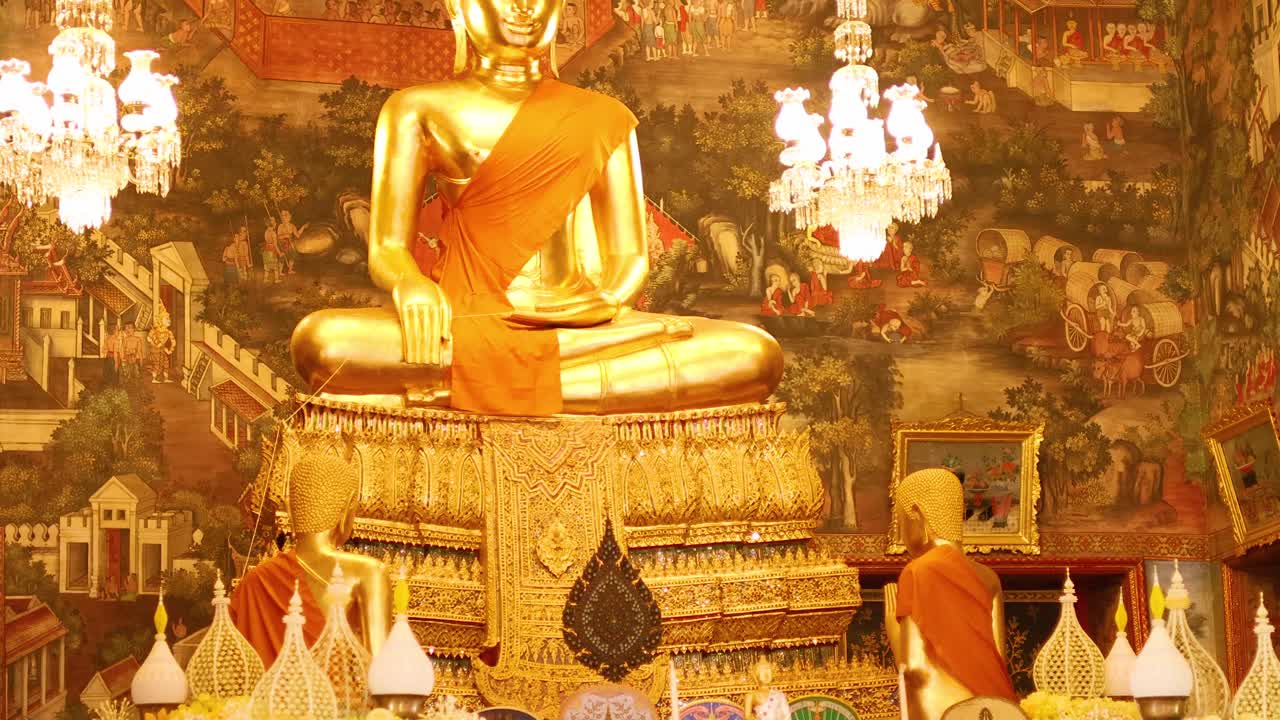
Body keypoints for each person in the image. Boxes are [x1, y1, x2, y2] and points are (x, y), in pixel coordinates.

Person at [288, 0, 784, 415]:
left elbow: (630, 258)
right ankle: (544, 386)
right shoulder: (419, 109)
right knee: (323, 343)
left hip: (576, 324)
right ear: (460, 7)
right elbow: (389, 247)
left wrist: (608, 302)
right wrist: (412, 284)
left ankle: (460, 392)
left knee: (753, 353)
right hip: (468, 320)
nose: (525, 9)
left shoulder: (602, 117)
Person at [231, 447, 390, 665]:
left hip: (270, 698)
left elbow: (236, 670)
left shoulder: (256, 580)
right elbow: (382, 674)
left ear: (290, 509)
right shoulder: (369, 572)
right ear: (346, 508)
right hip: (339, 698)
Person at [882, 468, 1016, 720]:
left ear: (917, 515)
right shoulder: (989, 577)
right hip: (998, 710)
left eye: (901, 522)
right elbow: (999, 660)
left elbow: (915, 669)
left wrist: (893, 630)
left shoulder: (917, 571)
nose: (901, 533)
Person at [147, 308, 177, 383]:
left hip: (162, 349)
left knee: (166, 362)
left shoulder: (168, 332)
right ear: (160, 320)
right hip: (155, 349)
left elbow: (173, 341)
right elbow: (148, 338)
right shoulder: (154, 330)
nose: (169, 320)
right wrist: (155, 344)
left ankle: (166, 378)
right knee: (157, 363)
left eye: (169, 318)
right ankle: (154, 379)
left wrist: (170, 350)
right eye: (166, 319)